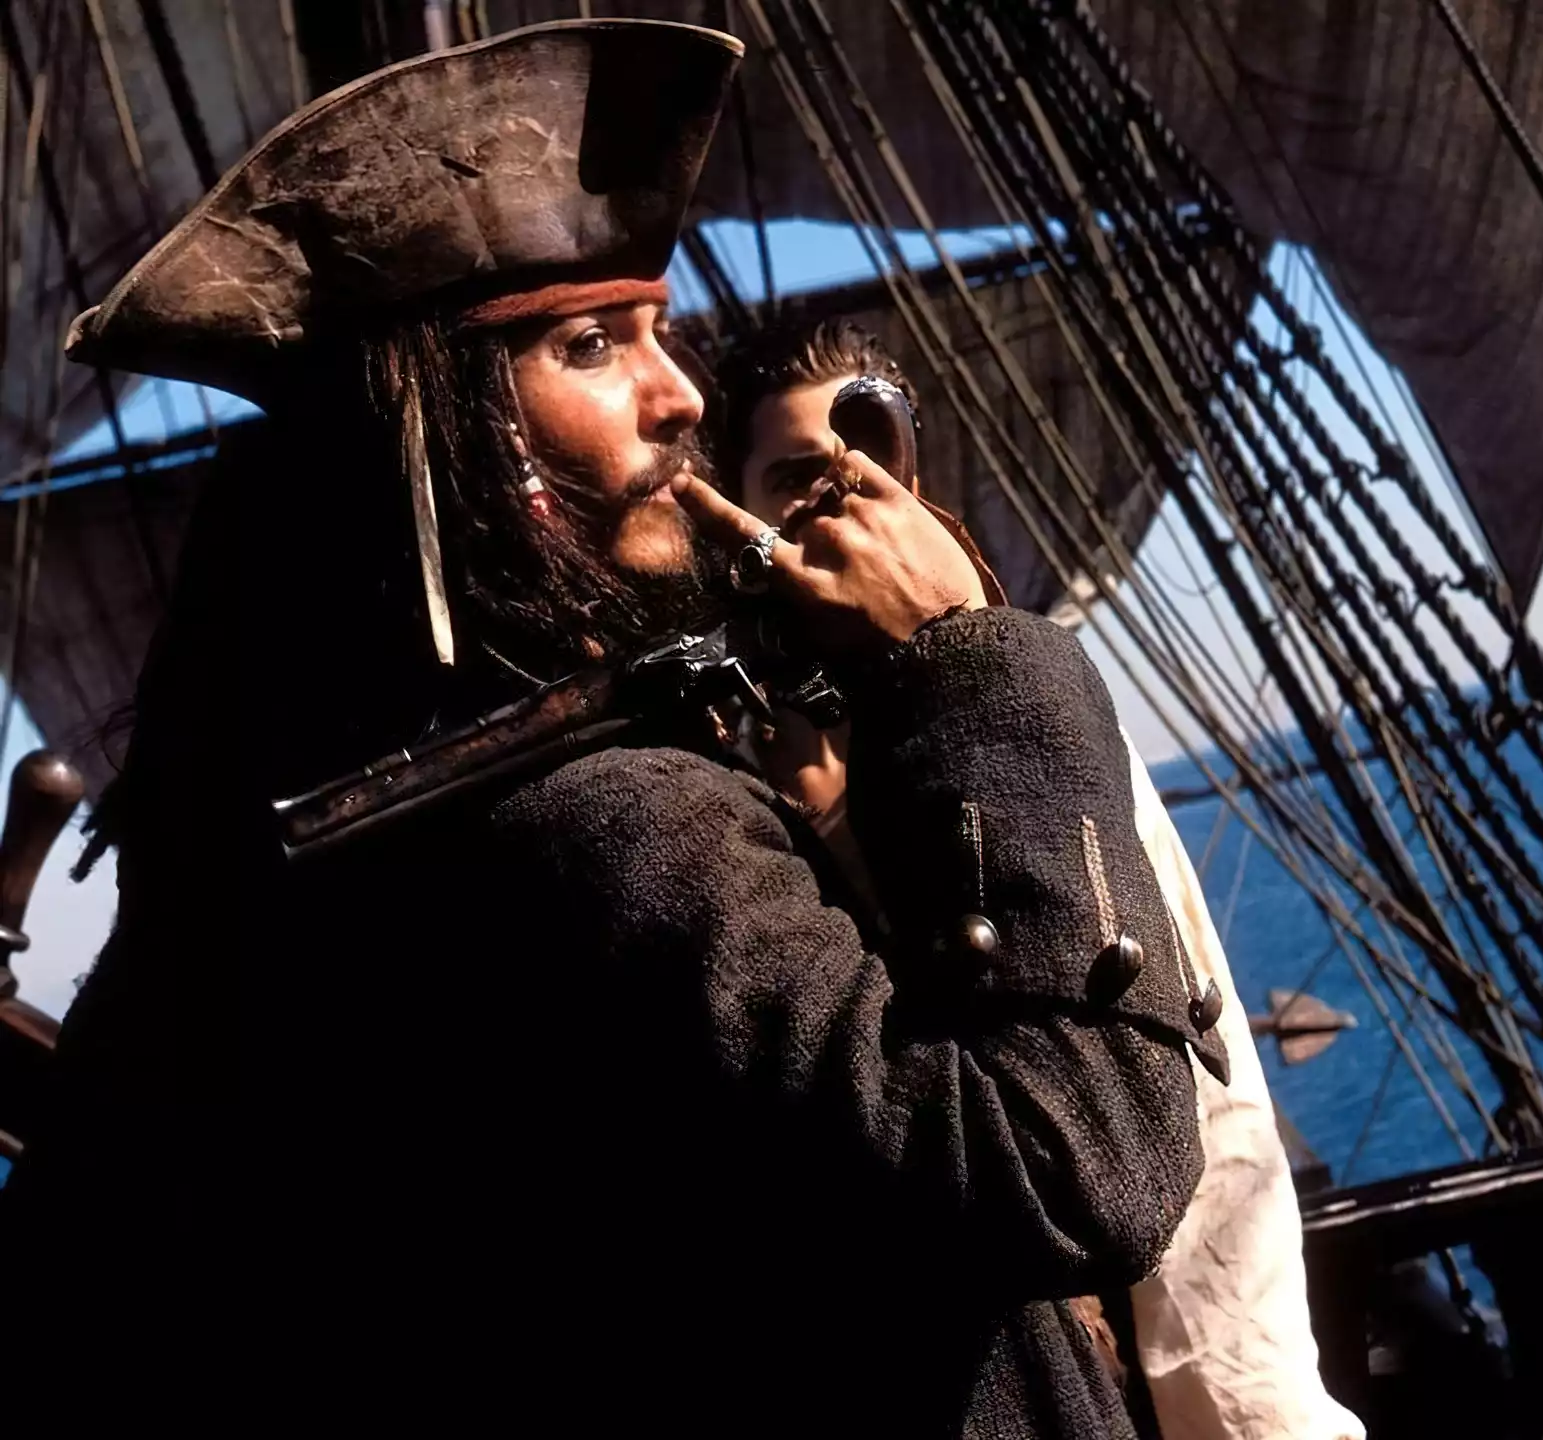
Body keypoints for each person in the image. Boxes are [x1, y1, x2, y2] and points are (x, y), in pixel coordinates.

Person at [0, 20, 1220, 1434]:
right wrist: (963, 660)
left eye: (658, 333)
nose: (681, 394)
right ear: (451, 434)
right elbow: (1070, 1171)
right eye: (591, 345)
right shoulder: (606, 827)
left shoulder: (296, 844)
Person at [718, 318, 1366, 1440]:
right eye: (794, 480)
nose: (840, 505)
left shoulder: (1025, 724)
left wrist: (1255, 1421)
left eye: (866, 463)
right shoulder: (714, 774)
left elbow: (1211, 1120)